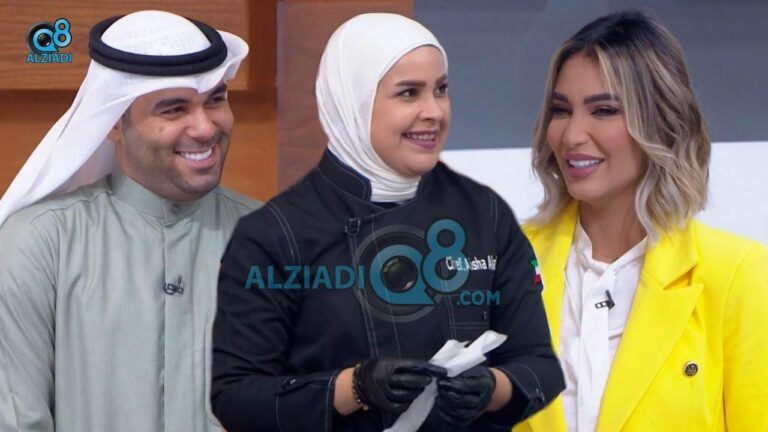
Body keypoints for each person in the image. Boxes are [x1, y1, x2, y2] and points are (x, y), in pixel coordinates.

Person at [211, 12, 564, 432]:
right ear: (353, 102)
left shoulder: (484, 213)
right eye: (409, 93)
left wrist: (492, 388)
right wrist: (354, 387)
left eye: (441, 90)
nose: (434, 111)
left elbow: (540, 366)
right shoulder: (272, 235)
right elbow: (237, 399)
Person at [0, 10, 259, 432]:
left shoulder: (272, 239)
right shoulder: (39, 244)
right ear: (114, 124)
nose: (204, 127)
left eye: (215, 100)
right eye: (174, 110)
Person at [514, 10, 768, 432]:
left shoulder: (738, 276)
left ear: (661, 121)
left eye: (603, 110)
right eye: (561, 110)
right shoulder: (504, 262)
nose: (572, 135)